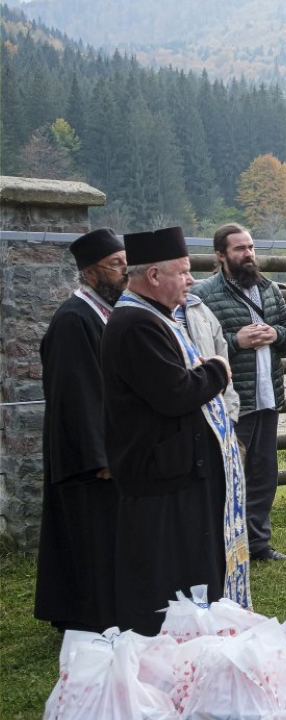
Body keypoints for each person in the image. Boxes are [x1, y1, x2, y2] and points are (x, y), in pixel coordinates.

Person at [102, 226, 249, 635]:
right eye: (182, 272)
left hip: (178, 471)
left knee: (190, 568)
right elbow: (175, 393)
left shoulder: (155, 316)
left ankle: (197, 640)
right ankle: (171, 647)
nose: (189, 280)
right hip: (160, 476)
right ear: (153, 276)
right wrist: (218, 369)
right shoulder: (136, 324)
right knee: (166, 577)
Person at [35, 229, 127, 633]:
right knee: (87, 536)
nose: (125, 272)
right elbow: (78, 395)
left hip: (102, 447)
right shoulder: (75, 319)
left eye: (127, 263)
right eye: (116, 266)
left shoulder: (102, 312)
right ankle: (88, 616)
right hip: (85, 457)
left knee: (102, 537)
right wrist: (100, 458)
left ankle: (99, 609)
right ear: (90, 273)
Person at [192, 223, 286, 561]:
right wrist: (236, 342)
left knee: (264, 474)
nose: (248, 254)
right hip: (232, 403)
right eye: (239, 249)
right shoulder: (205, 294)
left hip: (268, 397)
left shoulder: (268, 289)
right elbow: (197, 349)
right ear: (221, 255)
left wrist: (275, 335)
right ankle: (223, 546)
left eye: (250, 247)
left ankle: (258, 543)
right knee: (228, 475)